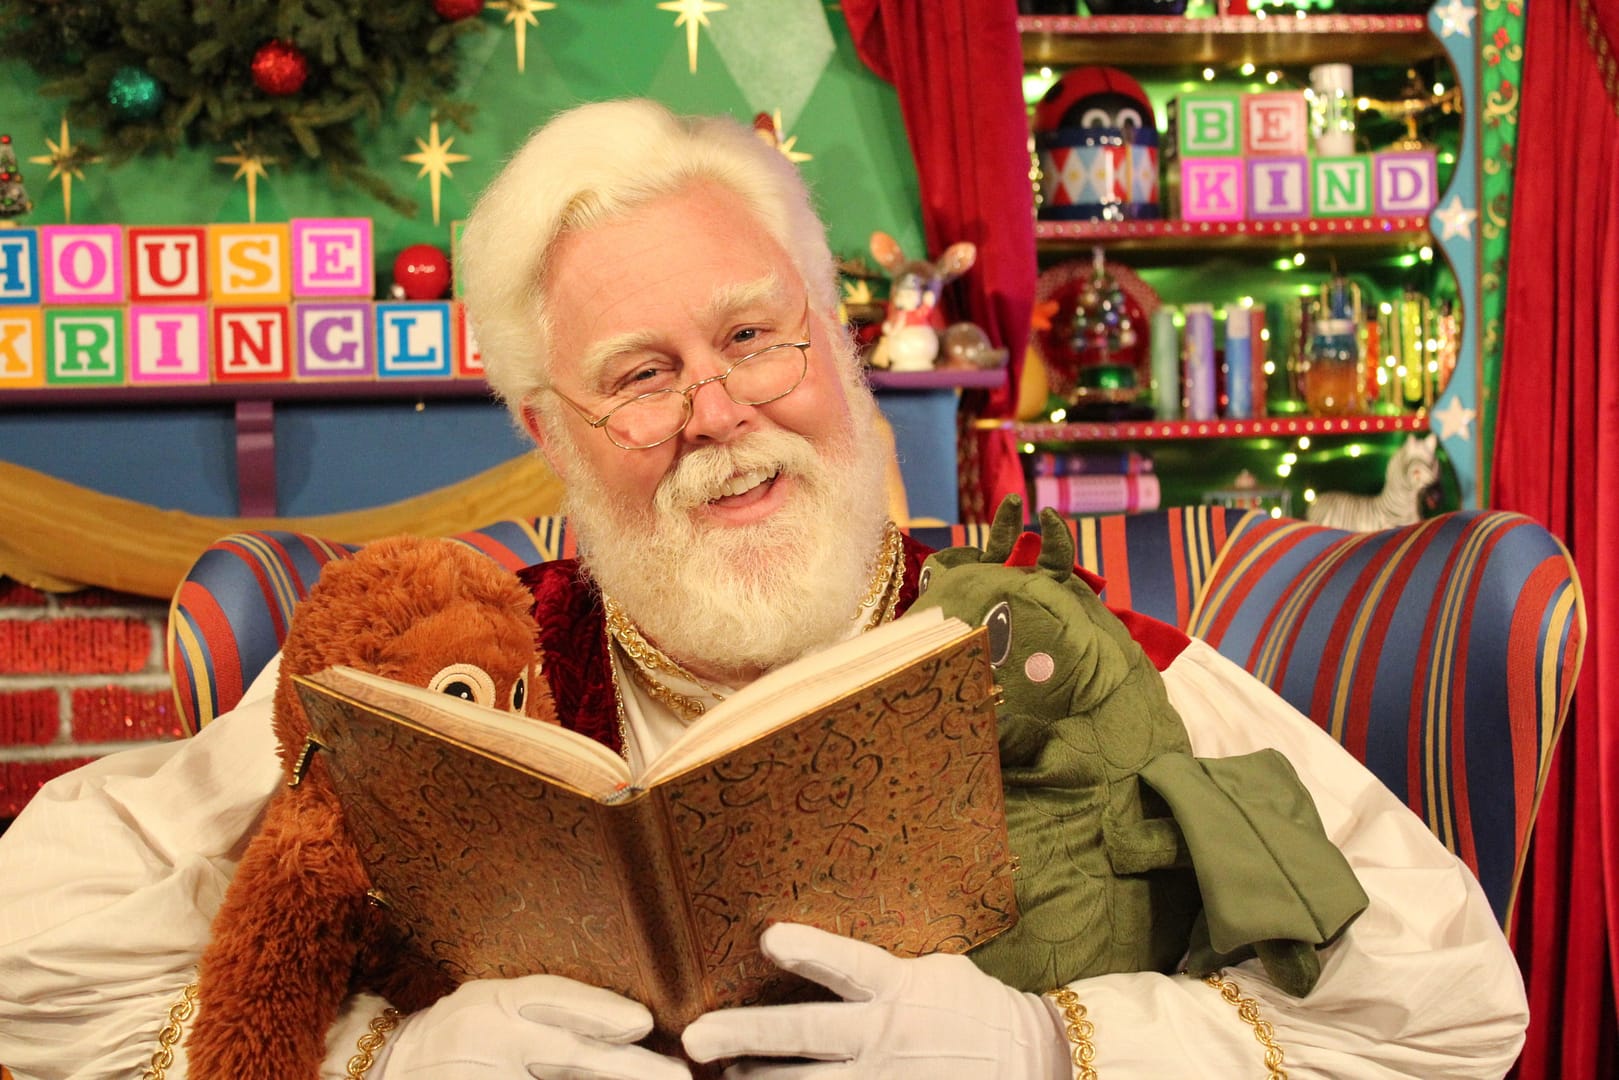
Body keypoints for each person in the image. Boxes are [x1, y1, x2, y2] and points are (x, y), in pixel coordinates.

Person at [0, 99, 1526, 1080]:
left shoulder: (1069, 654)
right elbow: (30, 951)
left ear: (839, 346)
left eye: (753, 337)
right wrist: (395, 1060)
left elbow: (1449, 1005)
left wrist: (1045, 1051)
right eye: (638, 377)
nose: (719, 413)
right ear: (545, 431)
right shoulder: (450, 669)